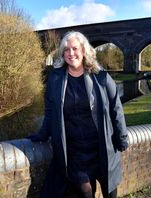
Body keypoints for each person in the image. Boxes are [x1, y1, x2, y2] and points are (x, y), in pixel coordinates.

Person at [28, 31, 128, 198]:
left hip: (102, 145)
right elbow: (50, 111)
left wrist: (122, 137)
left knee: (109, 190)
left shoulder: (101, 77)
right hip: (75, 151)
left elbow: (116, 108)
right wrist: (42, 134)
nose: (71, 53)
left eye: (75, 48)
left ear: (83, 50)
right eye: (66, 49)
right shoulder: (56, 79)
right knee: (85, 191)